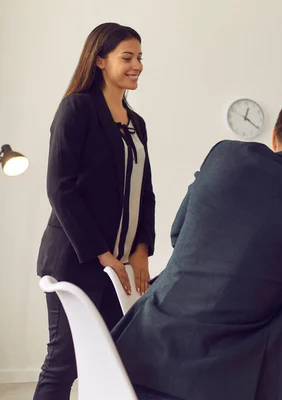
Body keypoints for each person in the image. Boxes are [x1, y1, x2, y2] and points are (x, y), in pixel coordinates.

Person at [111, 82, 282, 400]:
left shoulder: (224, 155)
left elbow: (178, 234)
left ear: (275, 137)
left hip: (134, 356)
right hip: (217, 380)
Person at [34, 23, 155, 399]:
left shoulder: (136, 124)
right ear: (100, 60)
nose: (137, 65)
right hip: (75, 259)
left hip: (117, 264)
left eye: (139, 58)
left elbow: (144, 193)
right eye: (127, 57)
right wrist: (102, 254)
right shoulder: (77, 108)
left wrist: (140, 251)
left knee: (121, 358)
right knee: (64, 362)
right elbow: (60, 188)